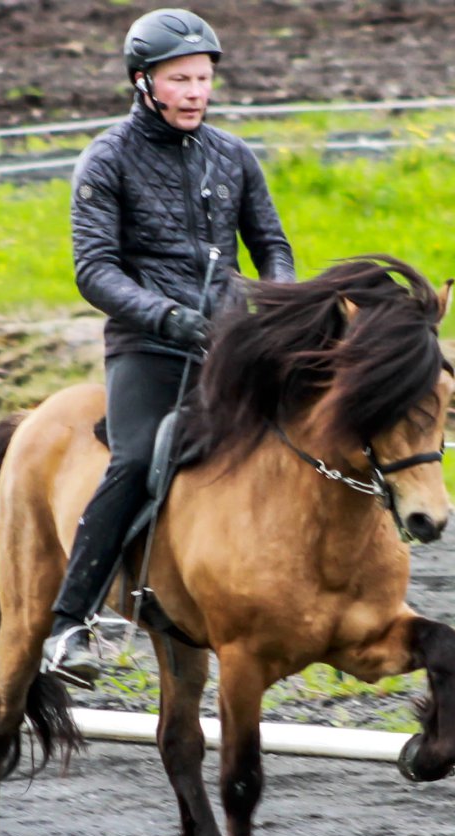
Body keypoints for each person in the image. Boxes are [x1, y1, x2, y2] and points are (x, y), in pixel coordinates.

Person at [42, 7, 296, 687]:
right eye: (180, 79)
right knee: (134, 460)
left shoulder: (233, 155)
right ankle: (70, 624)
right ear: (143, 82)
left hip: (231, 344)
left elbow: (271, 245)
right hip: (147, 347)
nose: (195, 92)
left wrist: (277, 305)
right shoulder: (107, 159)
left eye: (203, 78)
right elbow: (94, 270)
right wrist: (168, 317)